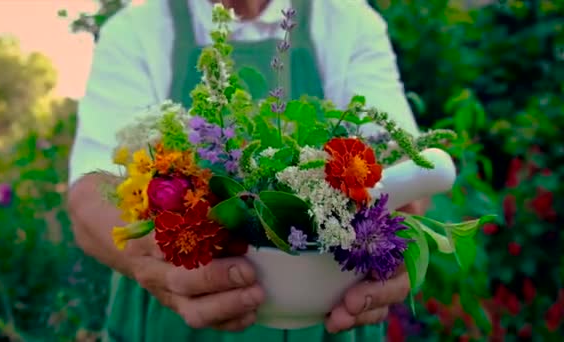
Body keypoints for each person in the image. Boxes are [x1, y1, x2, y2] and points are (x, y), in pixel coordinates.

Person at [67, 0, 429, 341]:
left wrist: (394, 229)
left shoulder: (346, 19)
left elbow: (402, 158)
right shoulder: (137, 29)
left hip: (329, 322)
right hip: (173, 325)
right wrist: (156, 256)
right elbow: (91, 188)